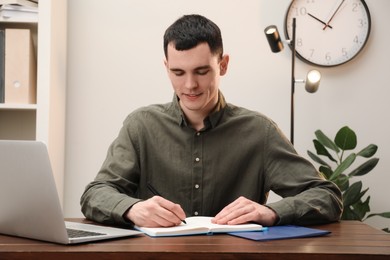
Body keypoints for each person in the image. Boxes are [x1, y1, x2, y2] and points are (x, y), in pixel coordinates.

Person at [80, 14, 342, 228]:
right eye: (178, 72)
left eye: (202, 71)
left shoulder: (259, 132)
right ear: (166, 67)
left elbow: (327, 196)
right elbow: (95, 193)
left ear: (223, 65)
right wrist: (132, 209)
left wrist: (271, 212)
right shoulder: (140, 126)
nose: (190, 85)